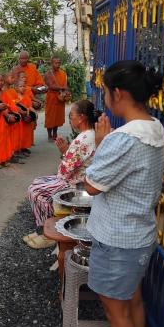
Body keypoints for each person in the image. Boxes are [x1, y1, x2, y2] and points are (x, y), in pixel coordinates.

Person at [84, 61, 164, 327]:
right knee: (132, 303)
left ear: (117, 93)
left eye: (105, 91)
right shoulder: (154, 128)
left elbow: (92, 185)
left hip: (118, 238)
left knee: (117, 312)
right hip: (137, 233)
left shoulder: (123, 138)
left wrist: (101, 143)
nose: (104, 98)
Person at [25, 100, 99, 249]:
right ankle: (44, 229)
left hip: (76, 184)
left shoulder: (84, 138)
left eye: (71, 115)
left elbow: (65, 170)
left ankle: (47, 234)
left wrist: (65, 153)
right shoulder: (88, 135)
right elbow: (73, 163)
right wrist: (65, 150)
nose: (69, 119)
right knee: (38, 181)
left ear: (82, 118)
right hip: (76, 178)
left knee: (36, 191)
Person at [44, 57, 70, 141]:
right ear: (51, 63)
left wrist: (66, 91)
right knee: (50, 116)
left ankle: (55, 134)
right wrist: (62, 88)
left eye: (59, 63)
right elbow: (50, 86)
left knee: (58, 117)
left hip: (60, 97)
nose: (57, 65)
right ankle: (49, 135)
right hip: (51, 97)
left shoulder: (63, 73)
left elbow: (65, 85)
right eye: (56, 63)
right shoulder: (48, 74)